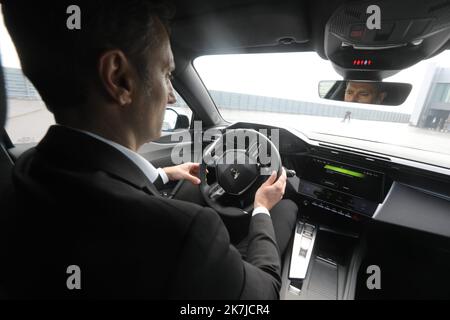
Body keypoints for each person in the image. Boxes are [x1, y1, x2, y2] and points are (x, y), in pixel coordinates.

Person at [1, 0, 297, 299]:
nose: (171, 97)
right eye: (167, 74)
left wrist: (162, 174)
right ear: (119, 78)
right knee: (286, 209)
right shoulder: (182, 232)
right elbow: (264, 297)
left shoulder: (26, 169)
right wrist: (260, 207)